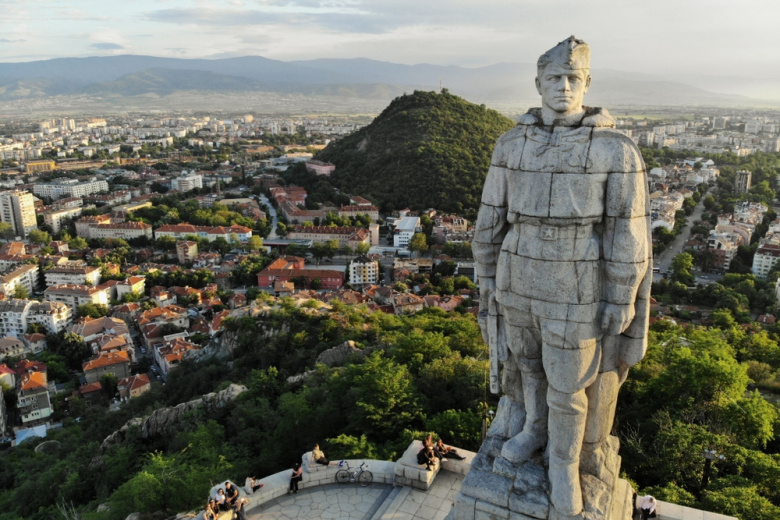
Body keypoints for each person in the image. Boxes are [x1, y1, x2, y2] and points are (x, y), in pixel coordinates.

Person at [473, 36, 651, 517]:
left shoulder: (615, 150)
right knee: (526, 363)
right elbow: (491, 215)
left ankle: (563, 464)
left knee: (570, 384)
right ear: (538, 83)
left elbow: (626, 231)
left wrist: (621, 296)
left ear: (587, 83)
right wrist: (486, 272)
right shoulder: (511, 143)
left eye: (573, 78)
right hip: (517, 266)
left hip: (578, 277)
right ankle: (533, 427)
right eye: (553, 78)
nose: (563, 86)